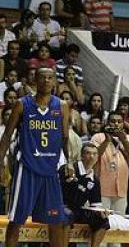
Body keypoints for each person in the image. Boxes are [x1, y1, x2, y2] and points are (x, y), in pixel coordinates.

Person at [0, 67, 73, 247]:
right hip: (27, 167)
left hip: (50, 170)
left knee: (56, 221)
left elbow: (65, 138)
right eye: (43, 78)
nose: (47, 81)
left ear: (55, 81)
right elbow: (7, 135)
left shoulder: (62, 106)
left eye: (50, 78)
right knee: (17, 220)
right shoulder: (22, 104)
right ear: (36, 81)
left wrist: (70, 162)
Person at [60, 142, 110, 247]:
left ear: (97, 157)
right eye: (88, 153)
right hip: (62, 207)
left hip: (78, 210)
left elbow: (95, 206)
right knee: (67, 214)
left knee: (103, 220)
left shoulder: (94, 179)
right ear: (82, 156)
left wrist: (101, 212)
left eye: (94, 154)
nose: (91, 156)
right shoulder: (69, 169)